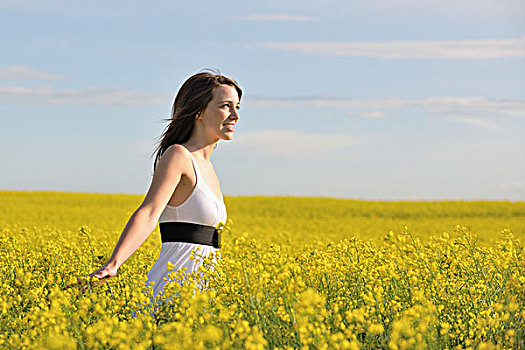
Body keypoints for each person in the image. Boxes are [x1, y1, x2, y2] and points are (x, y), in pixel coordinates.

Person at [77, 71, 242, 297]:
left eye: (237, 107)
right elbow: (149, 212)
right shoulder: (179, 156)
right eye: (225, 106)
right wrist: (113, 263)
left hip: (204, 290)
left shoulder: (209, 168)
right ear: (199, 111)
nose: (235, 115)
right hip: (173, 287)